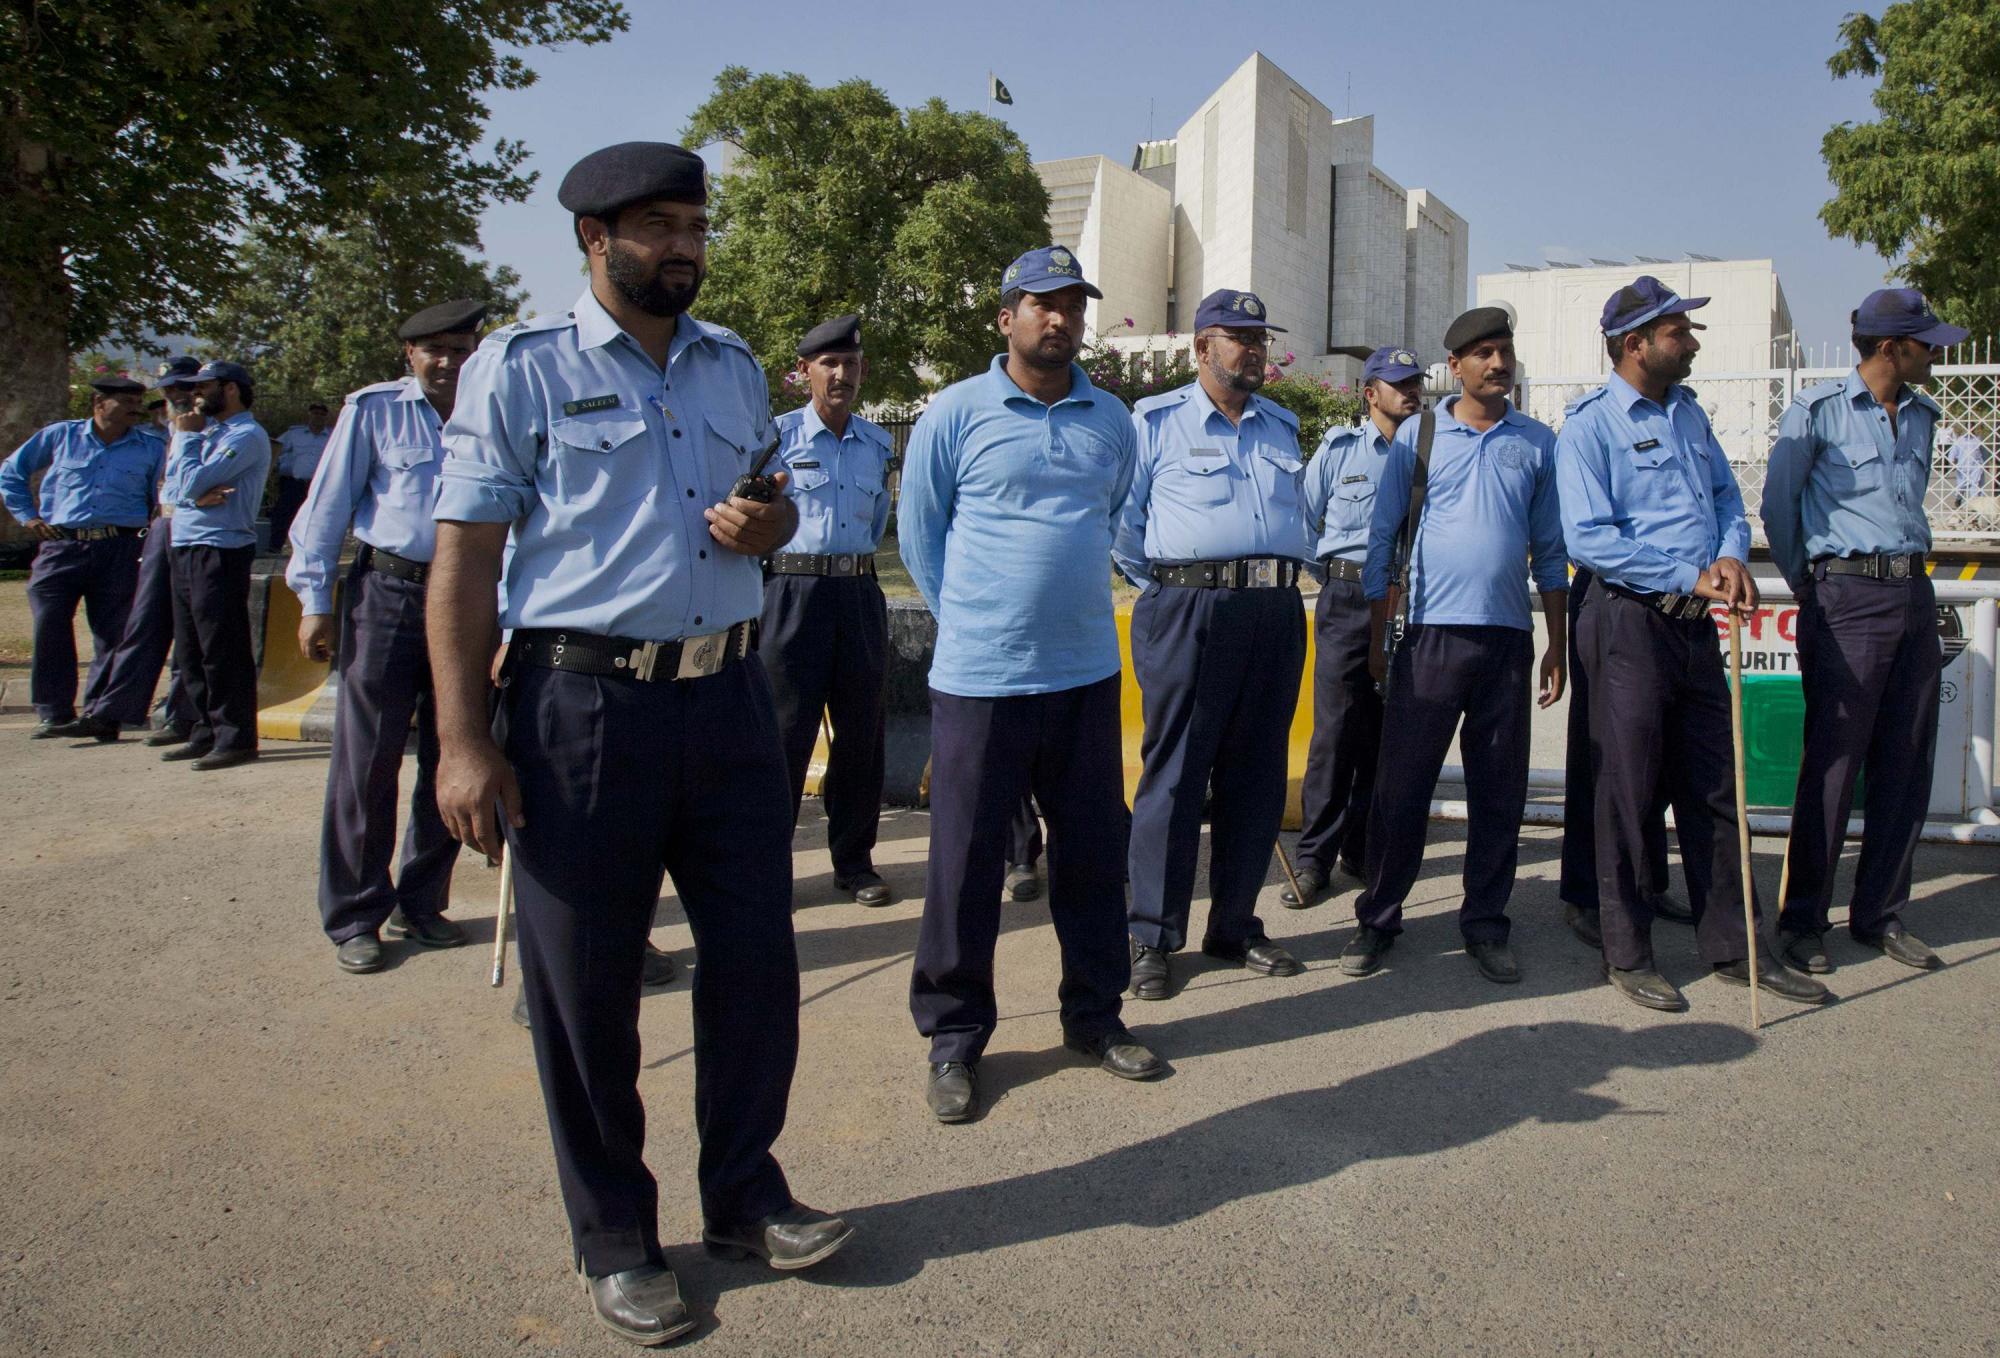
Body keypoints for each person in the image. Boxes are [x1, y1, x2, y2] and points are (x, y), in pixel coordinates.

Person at [428, 141, 850, 1347]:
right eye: (655, 225)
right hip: (581, 712)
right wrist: (463, 739)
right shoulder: (520, 369)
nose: (682, 246)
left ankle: (744, 1194)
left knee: (758, 964)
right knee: (588, 992)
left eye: (694, 225)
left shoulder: (729, 371)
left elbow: (769, 510)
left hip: (726, 702)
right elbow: (464, 561)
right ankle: (617, 1232)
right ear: (592, 239)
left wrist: (773, 520)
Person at [900, 244, 1164, 1126]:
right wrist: (977, 620)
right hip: (979, 680)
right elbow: (920, 536)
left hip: (1084, 674)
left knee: (1092, 857)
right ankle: (955, 1038)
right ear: (1007, 315)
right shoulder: (955, 411)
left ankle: (1096, 1017)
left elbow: (1113, 513)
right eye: (1043, 304)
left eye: (1074, 306)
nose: (1061, 320)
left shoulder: (1111, 421)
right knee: (965, 866)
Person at [1555, 275, 1828, 1011]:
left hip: (1692, 625)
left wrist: (1733, 556)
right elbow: (1588, 539)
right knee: (1627, 790)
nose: (1693, 341)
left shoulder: (1689, 415)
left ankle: (1736, 946)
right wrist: (1689, 572)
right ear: (1635, 344)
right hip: (1627, 620)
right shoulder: (1588, 427)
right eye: (1679, 331)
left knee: (1714, 786)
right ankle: (1629, 950)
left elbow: (1722, 501)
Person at [1340, 308, 1569, 985]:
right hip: (1430, 637)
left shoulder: (1536, 442)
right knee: (1402, 789)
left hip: (1506, 640)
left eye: (1506, 352)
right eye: (1485, 354)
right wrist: (1384, 636)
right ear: (1458, 367)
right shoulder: (1421, 433)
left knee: (1499, 793)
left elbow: (1551, 551)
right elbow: (1384, 540)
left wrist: (1556, 643)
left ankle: (1486, 924)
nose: (1499, 365)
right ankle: (1378, 918)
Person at [1760, 288, 1964, 975]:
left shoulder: (1922, 416)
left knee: (1906, 762)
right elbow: (1779, 506)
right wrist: (1812, 584)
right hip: (1844, 596)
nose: (1936, 352)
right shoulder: (1817, 414)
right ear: (1890, 348)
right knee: (1834, 765)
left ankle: (1879, 913)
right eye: (1926, 342)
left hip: (1912, 592)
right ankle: (1803, 921)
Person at [1116, 288, 1312, 1001]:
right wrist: (1174, 589)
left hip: (1274, 610)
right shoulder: (1156, 422)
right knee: (1174, 774)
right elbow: (1124, 524)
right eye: (1238, 337)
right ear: (1202, 348)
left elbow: (1302, 520)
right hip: (1190, 609)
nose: (1254, 348)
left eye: (1260, 337)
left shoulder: (1281, 426)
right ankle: (1150, 935)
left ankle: (1232, 924)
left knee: (1256, 773)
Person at [287, 301, 487, 975]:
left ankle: (422, 900)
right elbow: (325, 508)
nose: (449, 361)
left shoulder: (496, 411)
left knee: (453, 750)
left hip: (468, 597)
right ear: (410, 355)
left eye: (461, 348)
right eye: (435, 349)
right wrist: (314, 599)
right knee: (366, 759)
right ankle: (355, 914)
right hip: (389, 594)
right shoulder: (373, 411)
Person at [760, 315, 897, 906]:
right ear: (805, 372)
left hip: (858, 594)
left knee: (862, 735)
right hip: (792, 596)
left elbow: (879, 524)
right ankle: (767, 866)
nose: (841, 375)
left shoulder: (878, 443)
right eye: (829, 364)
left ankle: (855, 862)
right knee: (783, 736)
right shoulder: (776, 440)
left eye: (851, 364)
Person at [1282, 345, 1422, 909]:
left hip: (1404, 597)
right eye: (1398, 384)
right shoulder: (1340, 451)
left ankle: (1364, 850)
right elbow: (1302, 518)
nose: (1411, 392)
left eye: (1415, 383)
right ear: (1371, 394)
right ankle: (1315, 857)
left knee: (1387, 731)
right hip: (1345, 598)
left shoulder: (1428, 453)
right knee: (1337, 729)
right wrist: (1337, 575)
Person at [1, 376, 161, 738]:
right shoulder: (61, 436)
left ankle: (101, 714)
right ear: (99, 402)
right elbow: (11, 473)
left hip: (121, 547)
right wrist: (29, 517)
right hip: (61, 546)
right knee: (50, 625)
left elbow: (159, 498)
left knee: (113, 633)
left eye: (138, 400)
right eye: (125, 400)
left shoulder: (151, 448)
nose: (135, 407)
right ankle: (54, 712)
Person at [64, 358, 206, 745]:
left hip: (199, 528)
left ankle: (182, 715)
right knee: (143, 622)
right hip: (163, 525)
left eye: (186, 388)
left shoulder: (215, 427)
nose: (177, 395)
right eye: (170, 388)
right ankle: (113, 711)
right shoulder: (160, 431)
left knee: (188, 630)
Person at [1556, 561, 1698, 947]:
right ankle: (1586, 894)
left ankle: (1648, 884)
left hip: (1671, 593)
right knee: (1599, 752)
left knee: (1656, 753)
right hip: (1609, 587)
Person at [161, 360, 271, 770]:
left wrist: (187, 461)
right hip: (185, 543)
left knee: (221, 648)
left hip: (220, 549)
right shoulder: (202, 433)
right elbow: (174, 490)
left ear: (231, 389)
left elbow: (185, 484)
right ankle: (203, 730)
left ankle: (235, 736)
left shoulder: (247, 435)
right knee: (190, 649)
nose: (194, 396)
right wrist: (193, 490)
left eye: (204, 386)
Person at [270, 402, 332, 550]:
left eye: (322, 414)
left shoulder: (332, 436)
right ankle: (275, 546)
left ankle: (311, 548)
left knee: (317, 518)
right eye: (315, 413)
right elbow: (275, 449)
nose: (318, 417)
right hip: (295, 483)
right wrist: (277, 466)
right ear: (309, 415)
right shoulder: (294, 434)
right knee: (284, 514)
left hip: (320, 485)